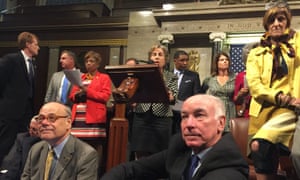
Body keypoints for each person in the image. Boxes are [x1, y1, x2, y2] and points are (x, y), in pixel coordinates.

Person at [101, 94, 249, 180]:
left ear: (221, 123)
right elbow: (130, 169)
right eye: (184, 117)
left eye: (199, 116)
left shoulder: (229, 168)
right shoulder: (181, 148)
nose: (189, 124)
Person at [246, 1, 300, 179]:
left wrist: (292, 101)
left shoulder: (297, 43)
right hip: (264, 108)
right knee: (260, 152)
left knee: (265, 145)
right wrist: (282, 98)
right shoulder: (256, 52)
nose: (276, 23)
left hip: (290, 110)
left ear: (287, 22)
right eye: (272, 20)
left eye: (281, 19)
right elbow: (255, 86)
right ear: (266, 24)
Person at [21, 102, 99, 180]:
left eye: (52, 118)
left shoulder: (85, 155)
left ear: (68, 123)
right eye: (41, 118)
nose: (44, 123)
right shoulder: (36, 149)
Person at [130, 44, 178, 159]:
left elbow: (173, 97)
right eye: (154, 54)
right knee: (140, 150)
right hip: (142, 116)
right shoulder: (141, 75)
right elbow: (134, 92)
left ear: (165, 59)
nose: (156, 57)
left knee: (160, 153)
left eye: (160, 55)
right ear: (150, 58)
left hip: (162, 118)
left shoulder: (171, 77)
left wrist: (168, 93)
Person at [0, 31, 40, 165]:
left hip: (26, 114)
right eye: (36, 44)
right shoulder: (11, 59)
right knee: (5, 145)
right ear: (28, 45)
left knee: (22, 146)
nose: (38, 47)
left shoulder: (33, 64)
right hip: (9, 113)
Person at [202, 52, 236, 131]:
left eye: (226, 60)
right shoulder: (209, 80)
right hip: (215, 110)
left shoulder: (234, 78)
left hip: (230, 110)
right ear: (216, 63)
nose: (225, 61)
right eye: (222, 60)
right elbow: (203, 95)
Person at [0, 115, 40, 180]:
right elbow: (11, 164)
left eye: (34, 129)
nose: (30, 132)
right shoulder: (22, 138)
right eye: (29, 128)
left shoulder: (47, 144)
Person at [172, 50, 202, 134]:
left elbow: (197, 95)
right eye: (182, 60)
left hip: (184, 114)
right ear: (175, 61)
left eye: (187, 60)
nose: (185, 63)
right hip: (168, 115)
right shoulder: (167, 74)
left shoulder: (193, 76)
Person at [233, 42, 259, 118]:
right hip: (248, 114)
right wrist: (240, 94)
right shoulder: (241, 76)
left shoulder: (267, 74)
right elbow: (236, 100)